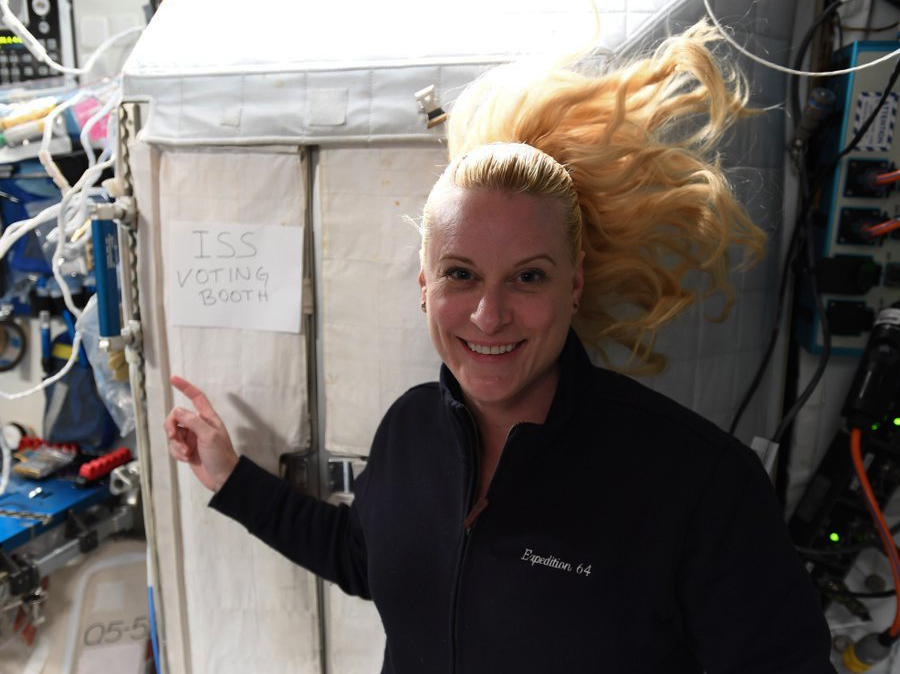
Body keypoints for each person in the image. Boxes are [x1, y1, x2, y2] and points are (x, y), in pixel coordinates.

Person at [165, 21, 837, 673]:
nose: (489, 315)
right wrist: (230, 476)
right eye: (462, 274)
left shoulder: (697, 485)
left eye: (527, 276)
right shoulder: (408, 430)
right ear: (425, 283)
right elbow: (367, 558)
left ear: (573, 286)